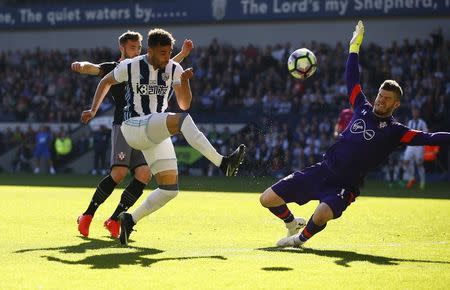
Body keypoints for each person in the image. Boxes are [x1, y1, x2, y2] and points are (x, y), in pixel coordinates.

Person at [259, 20, 450, 248]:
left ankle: (298, 240)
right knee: (267, 199)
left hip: (345, 186)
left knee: (320, 215)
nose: (380, 100)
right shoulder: (362, 107)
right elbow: (352, 79)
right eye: (380, 95)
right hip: (322, 170)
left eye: (387, 99)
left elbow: (430, 138)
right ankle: (292, 223)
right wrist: (354, 47)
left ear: (396, 105)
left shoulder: (396, 132)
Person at [81, 28, 246, 245]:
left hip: (153, 132)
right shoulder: (130, 66)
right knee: (182, 121)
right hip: (131, 126)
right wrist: (93, 110)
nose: (167, 57)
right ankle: (222, 162)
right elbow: (105, 81)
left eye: (169, 52)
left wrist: (185, 81)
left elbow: (185, 103)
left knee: (170, 190)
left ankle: (129, 220)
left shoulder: (174, 68)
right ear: (150, 51)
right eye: (162, 53)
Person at [72, 30, 194, 238]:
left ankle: (115, 219)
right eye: (132, 47)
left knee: (144, 175)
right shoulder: (118, 68)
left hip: (147, 128)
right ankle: (87, 215)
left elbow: (167, 66)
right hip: (124, 125)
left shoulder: (145, 66)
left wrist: (181, 55)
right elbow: (96, 71)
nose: (137, 50)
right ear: (122, 48)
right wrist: (81, 67)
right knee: (119, 173)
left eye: (138, 47)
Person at [402, 107, 428, 189]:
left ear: (418, 113)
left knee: (419, 164)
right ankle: (412, 178)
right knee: (405, 162)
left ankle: (422, 182)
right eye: (413, 112)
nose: (414, 113)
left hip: (419, 146)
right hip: (410, 145)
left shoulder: (422, 123)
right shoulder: (410, 122)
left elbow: (426, 134)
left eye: (416, 112)